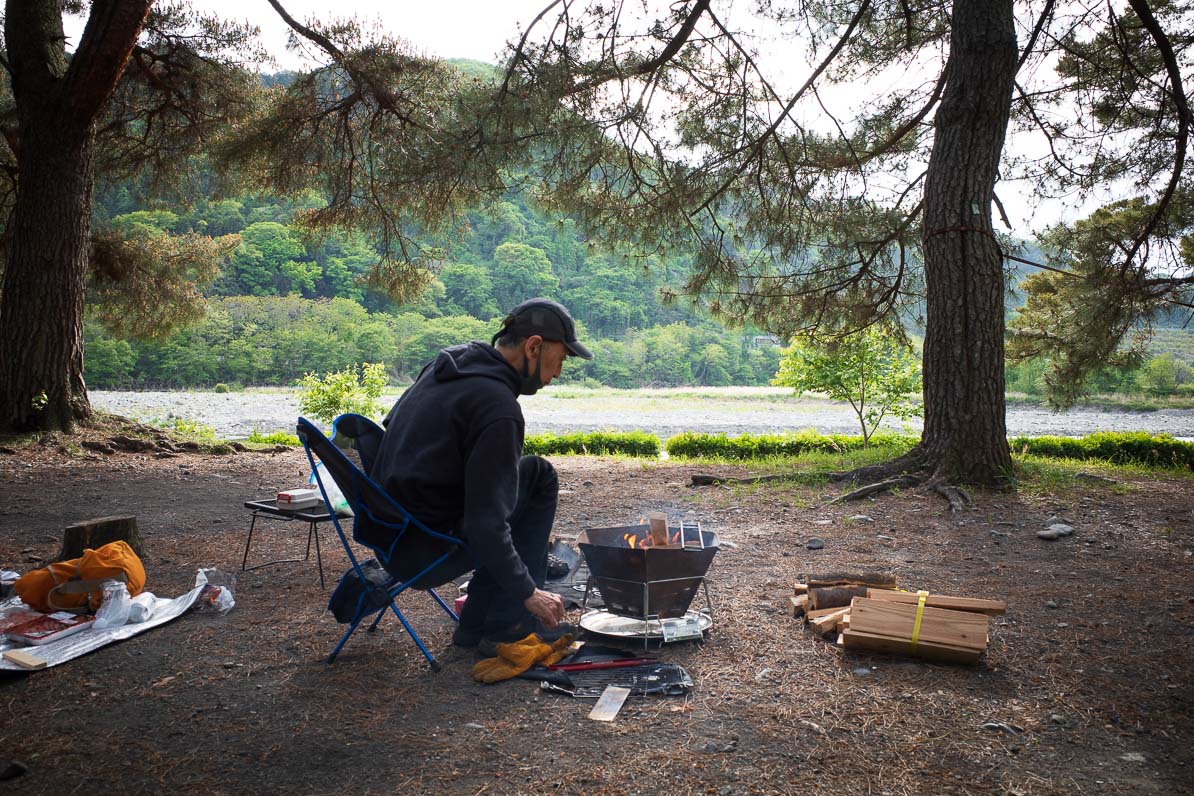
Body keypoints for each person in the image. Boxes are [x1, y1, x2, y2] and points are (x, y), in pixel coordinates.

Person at [370, 298, 593, 653]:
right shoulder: (498, 409)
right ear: (534, 347)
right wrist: (528, 592)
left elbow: (390, 429)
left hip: (392, 532)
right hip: (427, 549)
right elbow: (485, 526)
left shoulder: (448, 364)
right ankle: (510, 627)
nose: (558, 373)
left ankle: (475, 624)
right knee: (540, 481)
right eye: (560, 359)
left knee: (530, 472)